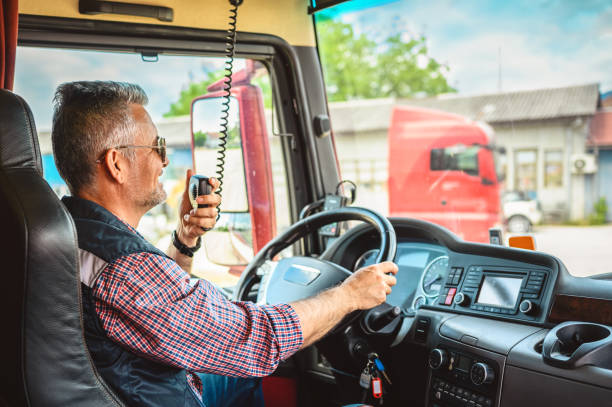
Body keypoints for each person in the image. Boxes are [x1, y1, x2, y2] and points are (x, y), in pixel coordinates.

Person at [51, 81, 398, 407]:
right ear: (116, 164)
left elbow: (158, 308)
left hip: (140, 387)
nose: (165, 161)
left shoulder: (73, 231)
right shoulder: (125, 267)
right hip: (154, 395)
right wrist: (349, 294)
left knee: (241, 379)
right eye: (157, 147)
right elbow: (258, 340)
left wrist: (185, 240)